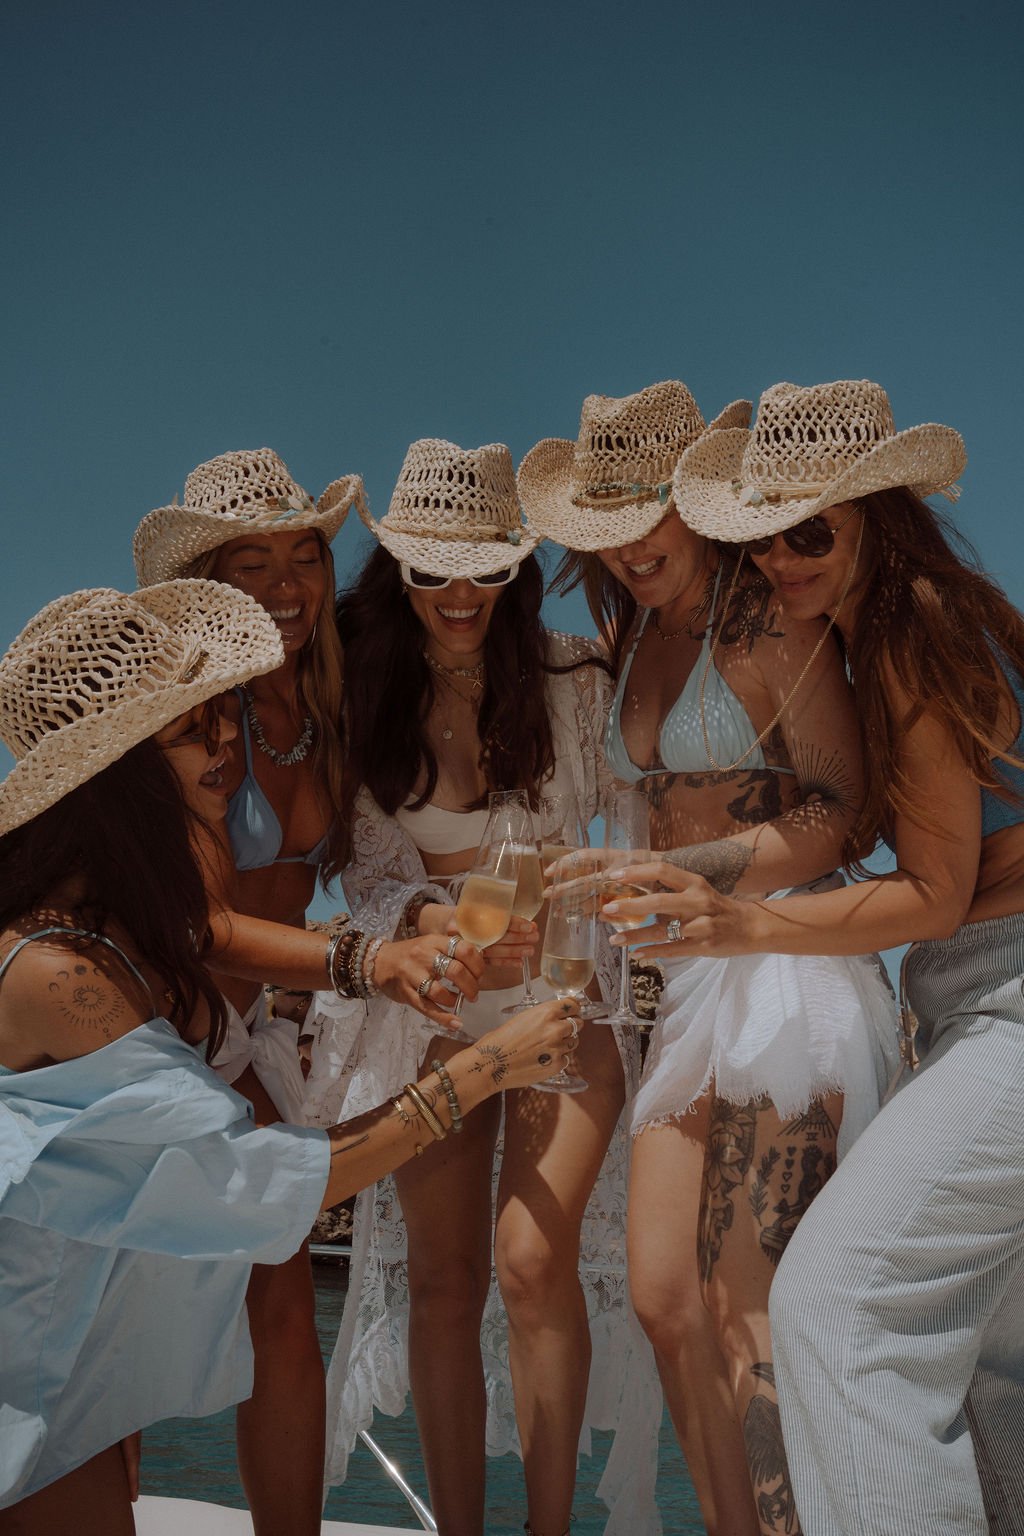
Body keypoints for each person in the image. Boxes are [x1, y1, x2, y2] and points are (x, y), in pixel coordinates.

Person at [0, 581, 578, 1536]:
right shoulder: (61, 976)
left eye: (220, 717)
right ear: (117, 778)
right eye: (193, 733)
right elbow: (261, 1186)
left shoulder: (111, 936)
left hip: (63, 1376)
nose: (229, 744)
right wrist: (483, 1070)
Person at [608, 377, 1024, 1536]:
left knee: (835, 1310)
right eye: (760, 532)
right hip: (969, 1003)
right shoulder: (890, 626)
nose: (781, 561)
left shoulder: (912, 625)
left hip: (1006, 998)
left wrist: (740, 922)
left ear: (878, 516)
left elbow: (935, 895)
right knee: (988, 1376)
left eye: (810, 530)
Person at [520, 380, 900, 1536]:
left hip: (780, 972)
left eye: (652, 509)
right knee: (661, 1300)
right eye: (607, 523)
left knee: (749, 1313)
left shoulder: (768, 616)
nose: (633, 541)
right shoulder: (635, 635)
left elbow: (845, 811)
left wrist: (706, 878)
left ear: (694, 505)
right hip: (678, 981)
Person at [132, 451, 483, 1535]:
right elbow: (191, 923)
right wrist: (362, 961)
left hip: (241, 1037)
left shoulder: (329, 701)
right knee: (133, 1322)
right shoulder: (181, 703)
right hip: (141, 1034)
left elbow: (374, 864)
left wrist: (423, 920)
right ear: (206, 582)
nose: (286, 585)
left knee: (284, 1306)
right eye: (253, 563)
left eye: (303, 555)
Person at [310, 437, 650, 1536]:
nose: (461, 594)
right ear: (396, 569)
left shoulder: (574, 682)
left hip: (562, 994)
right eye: (431, 571)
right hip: (435, 1009)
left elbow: (646, 819)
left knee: (532, 1264)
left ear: (518, 568)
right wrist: (423, 917)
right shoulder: (361, 688)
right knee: (445, 1283)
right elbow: (364, 874)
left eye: (487, 570)